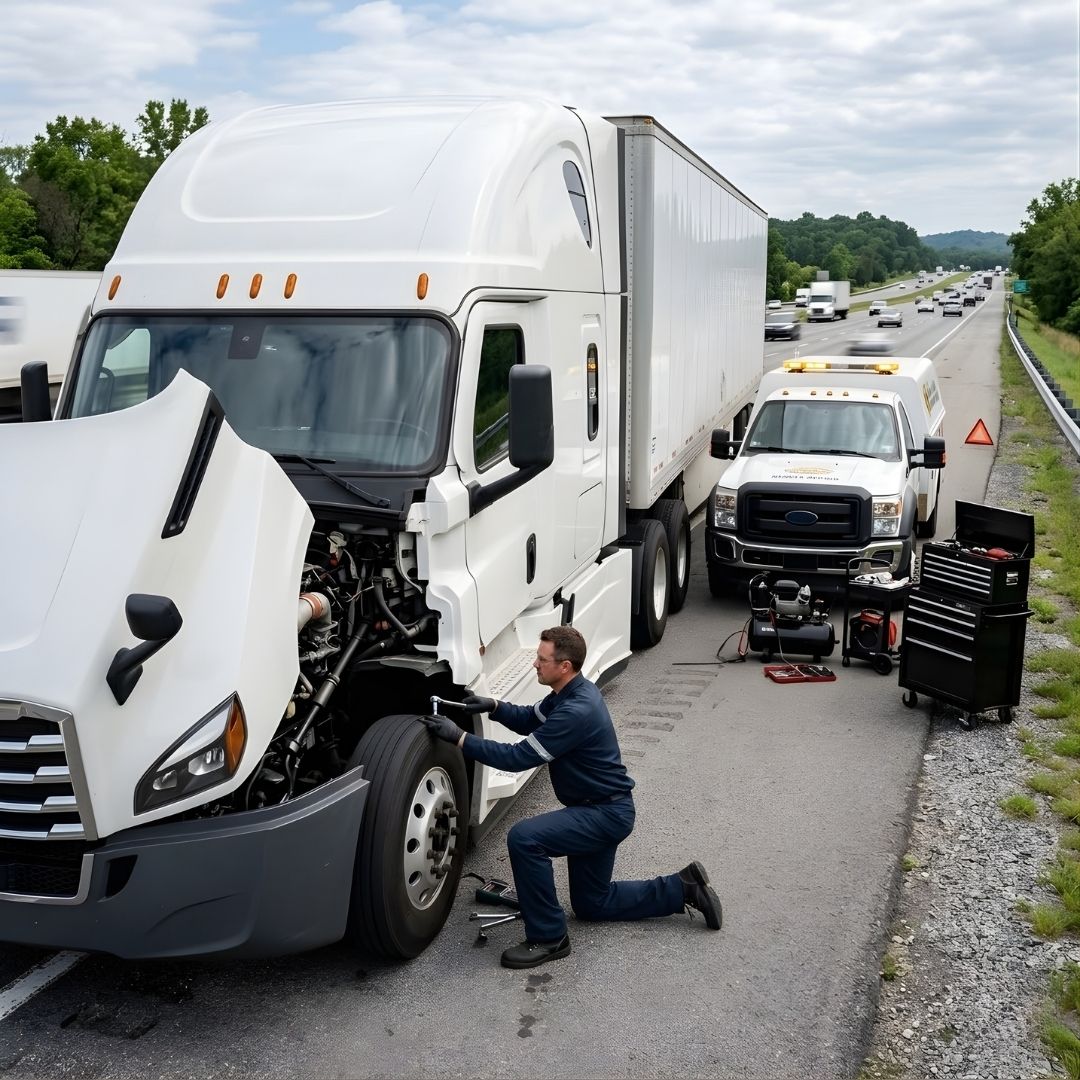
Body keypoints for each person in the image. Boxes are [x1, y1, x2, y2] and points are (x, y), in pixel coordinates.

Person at [421, 626, 722, 970]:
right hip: (601, 808)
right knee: (593, 903)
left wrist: (460, 739)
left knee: (525, 838)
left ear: (564, 666)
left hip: (605, 814)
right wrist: (495, 706)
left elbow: (518, 757)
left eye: (542, 659)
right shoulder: (569, 691)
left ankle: (549, 937)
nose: (534, 664)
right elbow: (529, 720)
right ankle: (682, 888)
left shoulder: (576, 710)